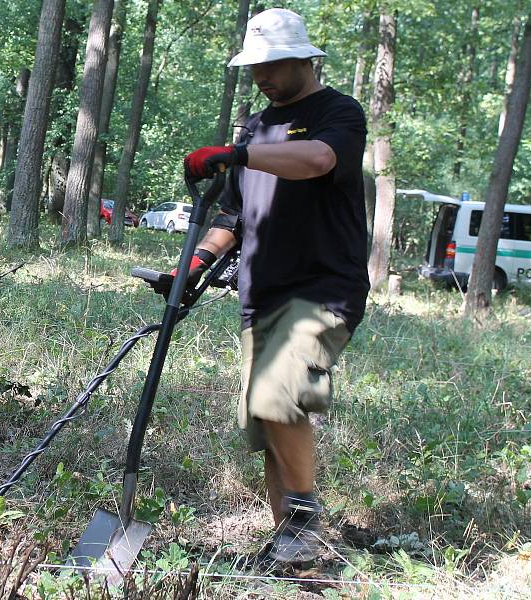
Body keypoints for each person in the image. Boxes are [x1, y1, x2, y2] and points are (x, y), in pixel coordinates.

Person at [180, 8, 369, 563]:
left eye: (271, 63)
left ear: (304, 59)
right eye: (254, 65)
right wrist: (193, 268)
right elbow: (231, 218)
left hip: (323, 288)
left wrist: (237, 152)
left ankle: (306, 520)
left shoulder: (339, 112)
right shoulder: (257, 126)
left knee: (279, 394)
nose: (260, 75)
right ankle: (290, 545)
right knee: (268, 422)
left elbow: (317, 160)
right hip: (260, 292)